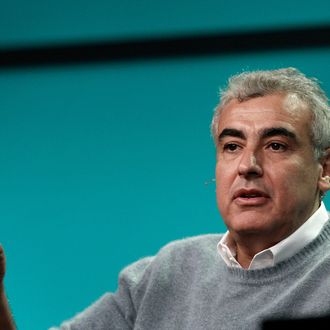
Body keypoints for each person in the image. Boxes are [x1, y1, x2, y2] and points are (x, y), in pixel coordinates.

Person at [1, 67, 330, 329]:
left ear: (324, 169)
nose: (247, 165)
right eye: (232, 146)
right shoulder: (166, 273)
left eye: (275, 145)